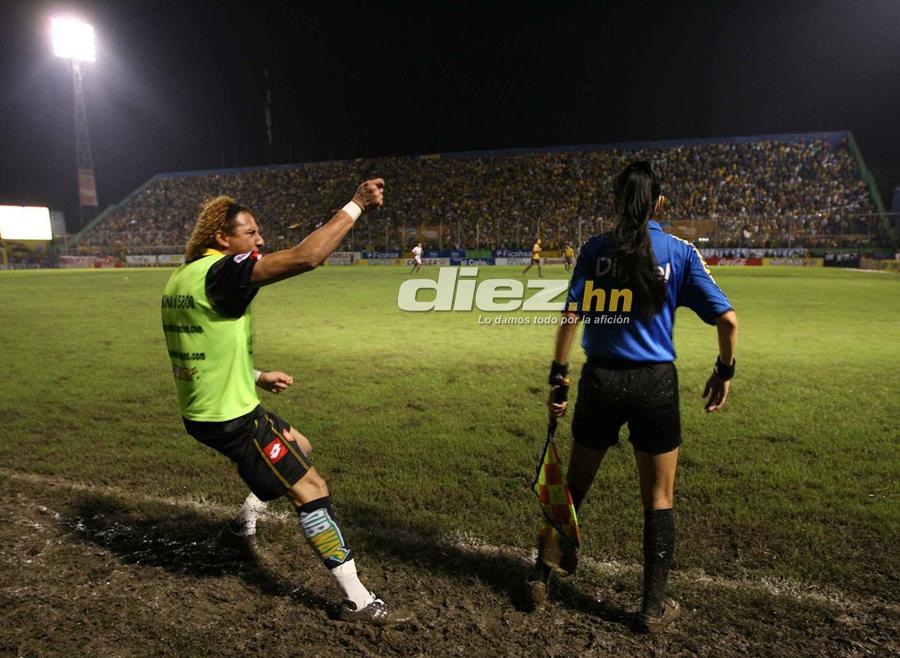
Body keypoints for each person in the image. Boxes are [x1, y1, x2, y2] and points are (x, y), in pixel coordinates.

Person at [161, 179, 412, 627]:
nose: (259, 241)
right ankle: (357, 600)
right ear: (223, 238)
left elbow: (200, 347)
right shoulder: (222, 271)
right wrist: (355, 206)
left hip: (211, 408)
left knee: (302, 445)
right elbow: (308, 256)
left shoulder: (182, 278)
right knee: (311, 487)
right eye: (250, 233)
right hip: (232, 418)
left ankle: (242, 524)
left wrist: (256, 375)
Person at [531, 162, 738, 633]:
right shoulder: (680, 252)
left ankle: (539, 577)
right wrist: (724, 370)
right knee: (659, 498)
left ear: (615, 203)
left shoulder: (595, 250)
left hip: (601, 380)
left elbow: (571, 314)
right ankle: (651, 609)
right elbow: (728, 321)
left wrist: (559, 376)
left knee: (574, 486)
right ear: (660, 203)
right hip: (654, 386)